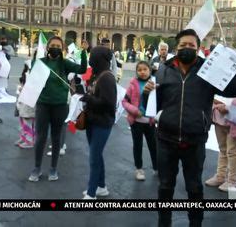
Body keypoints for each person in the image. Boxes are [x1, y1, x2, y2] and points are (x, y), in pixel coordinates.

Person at [143, 29, 236, 227]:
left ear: (198, 49)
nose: (187, 48)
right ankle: (164, 223)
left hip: (195, 140)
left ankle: (195, 223)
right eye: (183, 45)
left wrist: (231, 64)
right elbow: (157, 103)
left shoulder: (209, 71)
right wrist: (147, 93)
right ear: (176, 48)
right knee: (165, 187)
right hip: (165, 138)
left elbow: (235, 90)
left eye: (192, 46)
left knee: (194, 188)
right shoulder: (163, 69)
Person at [28, 36, 88, 182]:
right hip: (43, 104)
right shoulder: (41, 62)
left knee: (56, 138)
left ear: (61, 49)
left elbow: (82, 69)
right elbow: (32, 75)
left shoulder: (65, 63)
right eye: (52, 45)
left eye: (58, 45)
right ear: (48, 47)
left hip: (60, 105)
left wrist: (84, 52)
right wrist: (36, 56)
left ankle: (53, 168)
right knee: (41, 138)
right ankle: (37, 168)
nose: (55, 47)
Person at [205, 48, 236, 191]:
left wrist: (229, 105)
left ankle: (232, 181)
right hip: (220, 116)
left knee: (233, 151)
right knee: (223, 149)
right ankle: (220, 176)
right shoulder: (228, 73)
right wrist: (215, 102)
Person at [81, 45, 117, 199]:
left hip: (102, 122)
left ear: (99, 59)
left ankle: (91, 193)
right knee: (97, 155)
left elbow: (108, 103)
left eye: (92, 56)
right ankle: (101, 187)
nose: (90, 60)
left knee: (94, 157)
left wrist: (89, 99)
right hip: (92, 120)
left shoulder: (107, 78)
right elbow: (92, 93)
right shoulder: (97, 75)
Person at [122, 61, 157, 181]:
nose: (142, 72)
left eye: (145, 69)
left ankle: (157, 168)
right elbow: (124, 102)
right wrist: (135, 111)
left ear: (149, 70)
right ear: (136, 71)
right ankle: (139, 169)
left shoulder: (154, 83)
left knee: (154, 145)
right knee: (138, 145)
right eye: (139, 70)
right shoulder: (133, 84)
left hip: (151, 122)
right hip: (136, 122)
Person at [15, 60, 36, 149]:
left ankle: (29, 140)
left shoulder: (34, 73)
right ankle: (23, 137)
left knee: (28, 119)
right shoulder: (26, 71)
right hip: (22, 98)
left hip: (30, 99)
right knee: (22, 119)